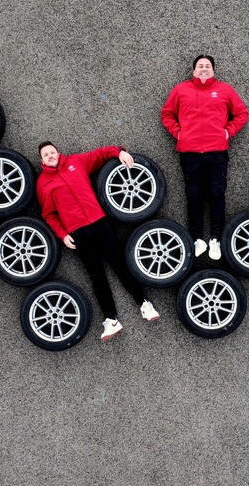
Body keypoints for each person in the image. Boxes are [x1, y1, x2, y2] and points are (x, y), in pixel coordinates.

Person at [36, 141, 159, 342]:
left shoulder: (76, 162)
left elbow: (102, 154)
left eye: (52, 152)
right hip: (78, 233)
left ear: (58, 152)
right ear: (41, 160)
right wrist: (62, 235)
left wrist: (119, 153)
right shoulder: (43, 183)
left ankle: (145, 304)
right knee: (97, 276)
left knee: (120, 265)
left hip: (100, 223)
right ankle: (111, 320)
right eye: (45, 154)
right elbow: (48, 214)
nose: (50, 155)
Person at [161, 55, 249, 260]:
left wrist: (227, 132)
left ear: (213, 71)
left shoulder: (224, 90)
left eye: (207, 66)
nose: (203, 69)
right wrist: (179, 134)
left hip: (216, 152)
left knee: (217, 194)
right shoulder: (181, 90)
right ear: (193, 71)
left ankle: (216, 239)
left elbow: (242, 114)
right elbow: (166, 114)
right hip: (190, 153)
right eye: (200, 66)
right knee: (194, 195)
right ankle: (198, 239)